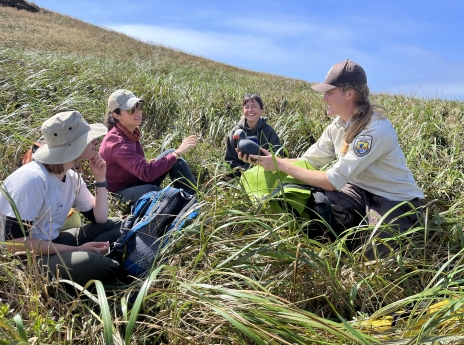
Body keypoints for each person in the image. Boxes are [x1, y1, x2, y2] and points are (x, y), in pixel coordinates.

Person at [239, 60, 424, 259]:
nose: (324, 98)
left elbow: (331, 181)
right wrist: (268, 160)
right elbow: (309, 161)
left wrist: (280, 164)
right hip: (358, 188)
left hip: (393, 197)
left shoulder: (374, 131)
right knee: (317, 206)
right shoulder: (338, 125)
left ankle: (405, 225)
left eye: (329, 92)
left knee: (375, 254)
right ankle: (349, 234)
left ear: (349, 93)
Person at [0, 111, 122, 286]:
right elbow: (14, 245)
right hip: (23, 259)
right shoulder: (33, 179)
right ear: (72, 146)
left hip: (50, 243)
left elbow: (100, 218)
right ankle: (118, 271)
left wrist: (100, 179)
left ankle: (111, 265)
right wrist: (76, 249)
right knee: (91, 262)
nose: (96, 142)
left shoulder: (72, 178)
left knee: (117, 226)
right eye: (89, 139)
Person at [99, 89, 198, 205]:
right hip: (119, 194)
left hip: (135, 181)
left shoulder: (129, 132)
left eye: (138, 106)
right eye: (131, 110)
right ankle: (186, 204)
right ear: (116, 115)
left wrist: (172, 156)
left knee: (171, 155)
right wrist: (178, 152)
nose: (137, 112)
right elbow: (146, 173)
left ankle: (192, 200)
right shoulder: (116, 142)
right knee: (152, 190)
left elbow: (142, 170)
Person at [224, 93, 282, 175]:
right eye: (246, 107)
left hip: (264, 173)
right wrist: (244, 172)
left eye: (254, 106)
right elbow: (230, 160)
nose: (250, 110)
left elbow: (277, 157)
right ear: (243, 110)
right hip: (242, 175)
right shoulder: (236, 131)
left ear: (261, 110)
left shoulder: (269, 131)